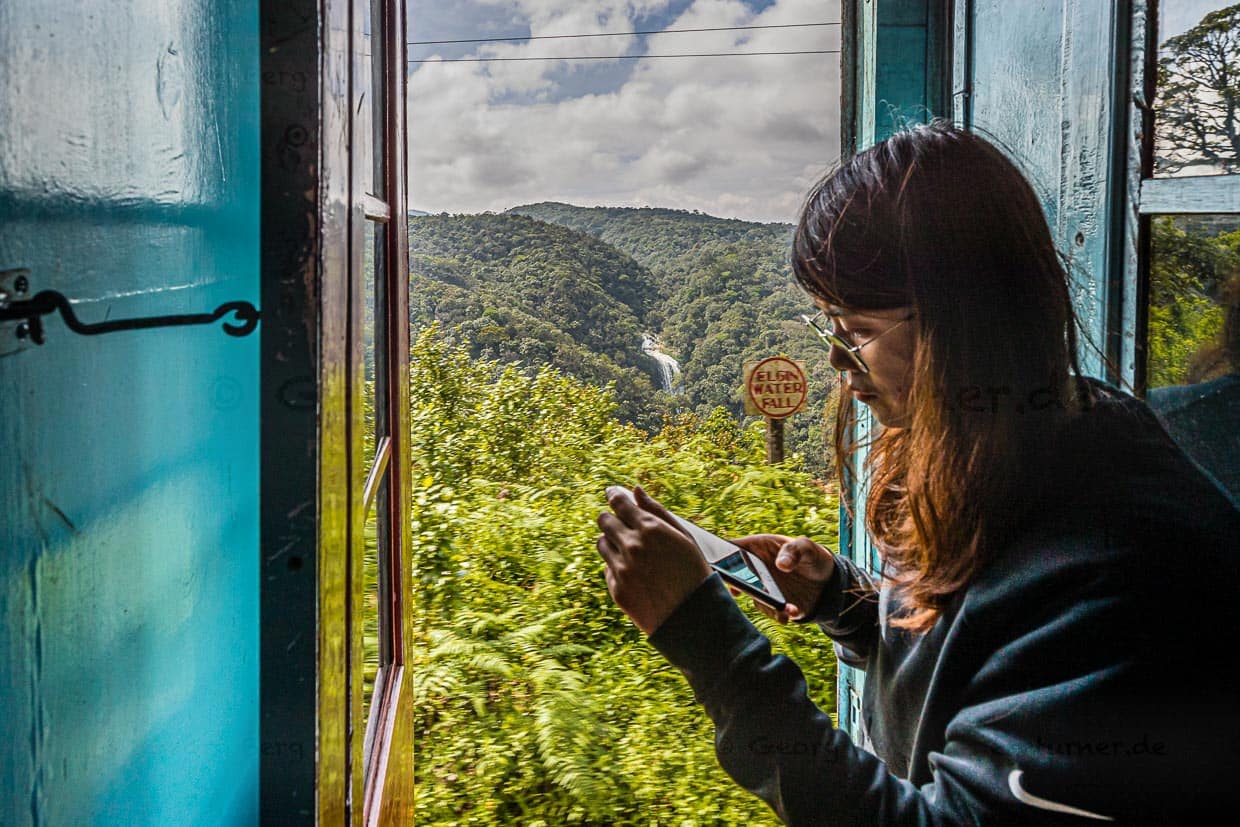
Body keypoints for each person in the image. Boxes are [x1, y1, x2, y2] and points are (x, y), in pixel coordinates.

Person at [596, 121, 1240, 825]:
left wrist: (707, 640)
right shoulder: (1036, 444)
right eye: (828, 327)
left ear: (961, 319)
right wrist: (843, 601)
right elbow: (987, 651)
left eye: (857, 328)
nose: (839, 362)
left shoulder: (1120, 575)